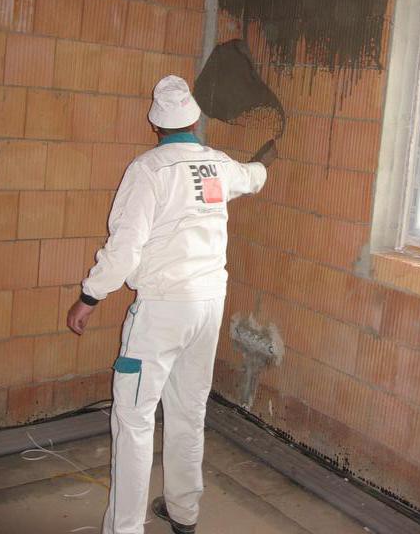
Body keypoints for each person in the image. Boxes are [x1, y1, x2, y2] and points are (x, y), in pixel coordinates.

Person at [67, 75, 277, 534]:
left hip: (162, 311)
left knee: (134, 420)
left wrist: (90, 296)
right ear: (195, 120)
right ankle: (184, 513)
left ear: (155, 125)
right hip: (208, 306)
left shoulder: (148, 170)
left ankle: (125, 529)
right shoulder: (217, 165)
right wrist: (266, 161)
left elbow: (125, 248)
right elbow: (252, 177)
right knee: (188, 412)